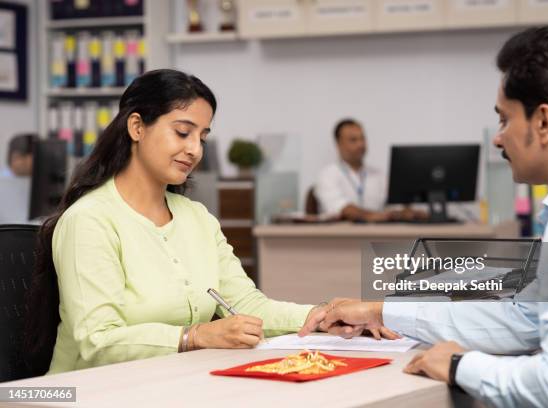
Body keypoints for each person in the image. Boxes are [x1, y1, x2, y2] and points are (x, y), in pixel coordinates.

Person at [300, 27, 548, 407]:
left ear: (544, 123)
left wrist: (460, 365)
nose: (498, 139)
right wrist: (381, 311)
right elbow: (525, 316)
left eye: (504, 120)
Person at [23, 69, 350, 375]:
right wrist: (195, 336)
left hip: (170, 383)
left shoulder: (197, 218)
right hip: (88, 393)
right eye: (182, 132)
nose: (194, 150)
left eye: (202, 138)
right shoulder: (90, 220)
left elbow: (249, 305)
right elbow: (98, 340)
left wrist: (320, 316)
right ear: (137, 127)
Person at [314, 119, 425, 222]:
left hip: (376, 235)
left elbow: (395, 206)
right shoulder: (327, 175)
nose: (361, 144)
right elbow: (342, 208)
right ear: (338, 144)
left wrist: (407, 212)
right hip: (339, 238)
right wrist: (373, 216)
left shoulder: (379, 175)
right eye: (353, 140)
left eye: (362, 138)